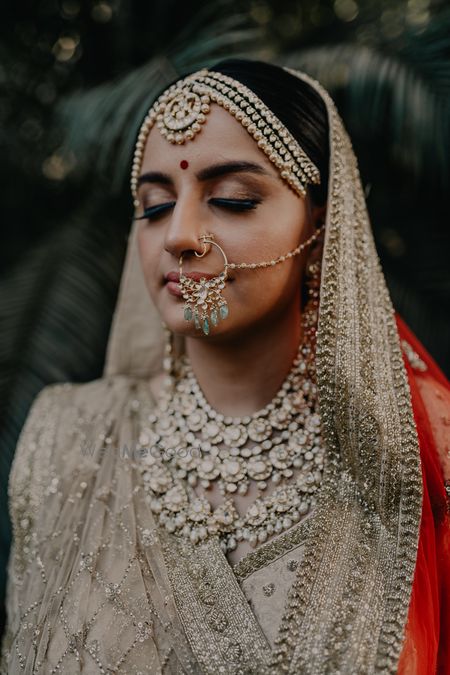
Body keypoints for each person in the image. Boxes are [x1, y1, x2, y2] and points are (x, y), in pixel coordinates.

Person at [1, 58, 449, 674]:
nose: (179, 235)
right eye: (155, 206)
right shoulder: (65, 439)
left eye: (233, 200)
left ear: (320, 225)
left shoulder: (413, 448)